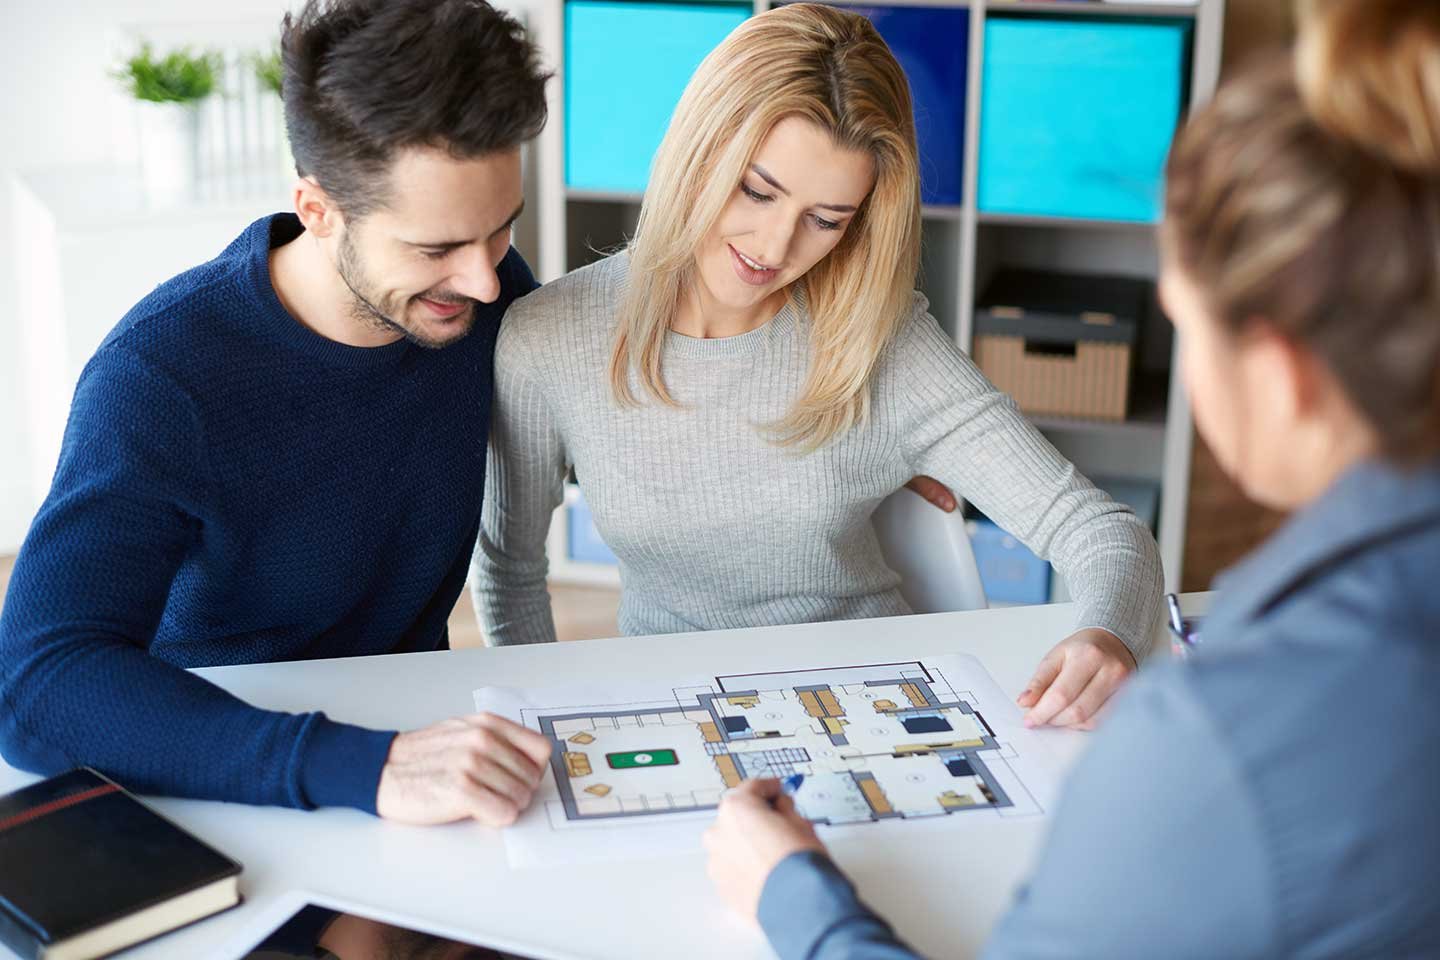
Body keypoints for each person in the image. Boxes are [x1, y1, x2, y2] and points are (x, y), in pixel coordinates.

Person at [703, 0, 1440, 956]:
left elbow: (1099, 533)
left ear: (1279, 373)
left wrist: (792, 895)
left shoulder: (1221, 744)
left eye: (1182, 321)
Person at [471, 3, 1163, 731]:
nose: (774, 246)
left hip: (872, 708)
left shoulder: (883, 341)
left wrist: (1106, 633)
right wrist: (538, 725)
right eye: (758, 190)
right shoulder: (547, 339)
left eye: (826, 219)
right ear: (700, 151)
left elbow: (1099, 530)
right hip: (675, 710)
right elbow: (510, 574)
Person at [0, 0, 553, 825]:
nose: (482, 280)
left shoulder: (485, 296)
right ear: (317, 207)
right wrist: (361, 769)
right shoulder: (161, 377)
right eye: (435, 248)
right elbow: (36, 687)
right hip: (220, 764)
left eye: (499, 230)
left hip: (413, 740)